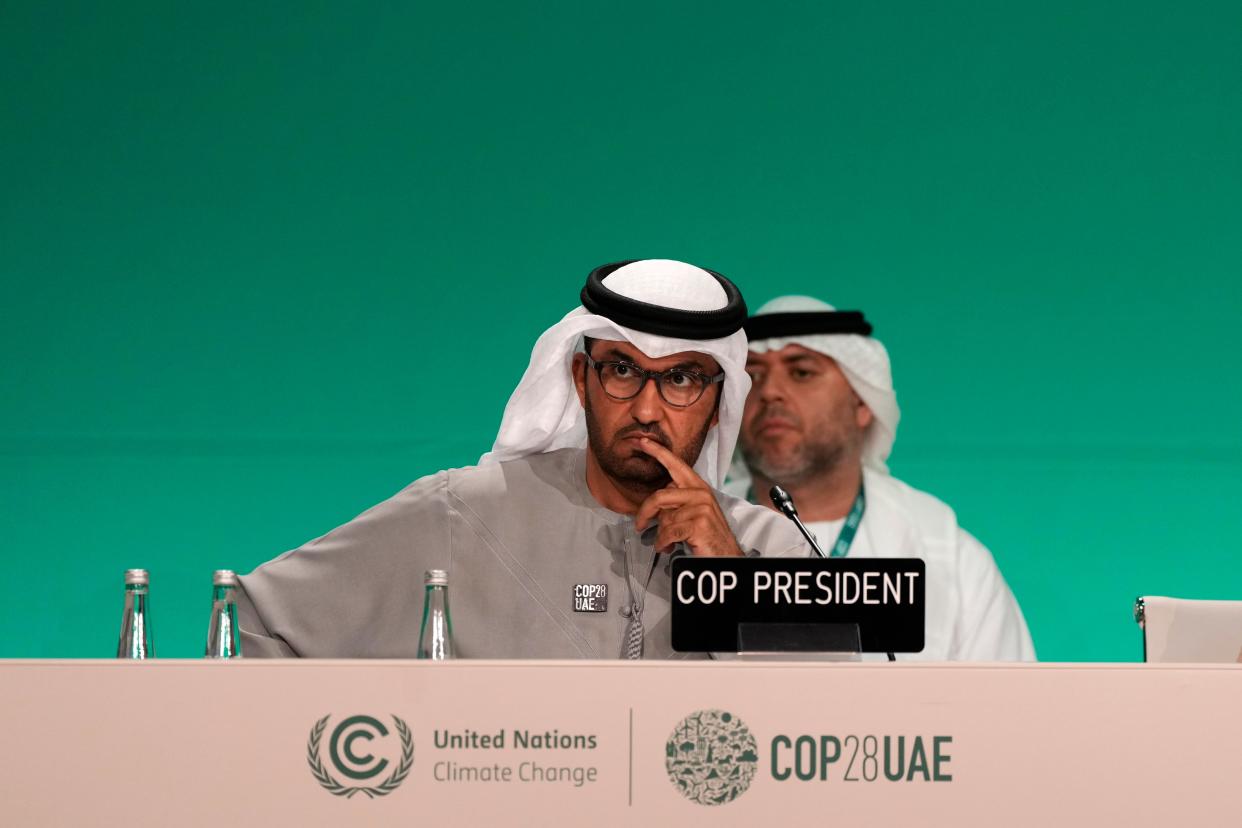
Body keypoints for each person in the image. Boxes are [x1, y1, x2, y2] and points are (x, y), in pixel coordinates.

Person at [236, 260, 808, 658]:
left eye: (681, 378)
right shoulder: (466, 512)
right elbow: (250, 621)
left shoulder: (773, 547)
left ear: (717, 403)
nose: (647, 410)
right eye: (623, 370)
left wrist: (732, 577)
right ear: (582, 380)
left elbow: (824, 726)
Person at [727, 295, 1035, 661]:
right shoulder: (691, 536)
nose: (769, 392)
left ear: (862, 404)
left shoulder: (945, 555)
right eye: (754, 375)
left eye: (801, 372)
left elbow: (1007, 710)